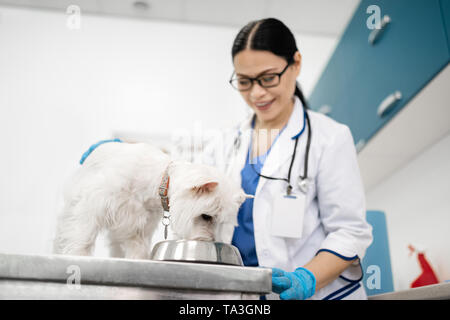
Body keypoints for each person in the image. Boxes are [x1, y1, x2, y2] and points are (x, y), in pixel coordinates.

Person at [80, 18, 373, 300]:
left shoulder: (329, 138)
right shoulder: (226, 143)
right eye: (244, 82)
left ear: (295, 64)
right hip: (242, 296)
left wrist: (306, 278)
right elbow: (182, 176)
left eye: (268, 78)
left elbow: (349, 231)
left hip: (316, 295)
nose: (257, 93)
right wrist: (129, 155)